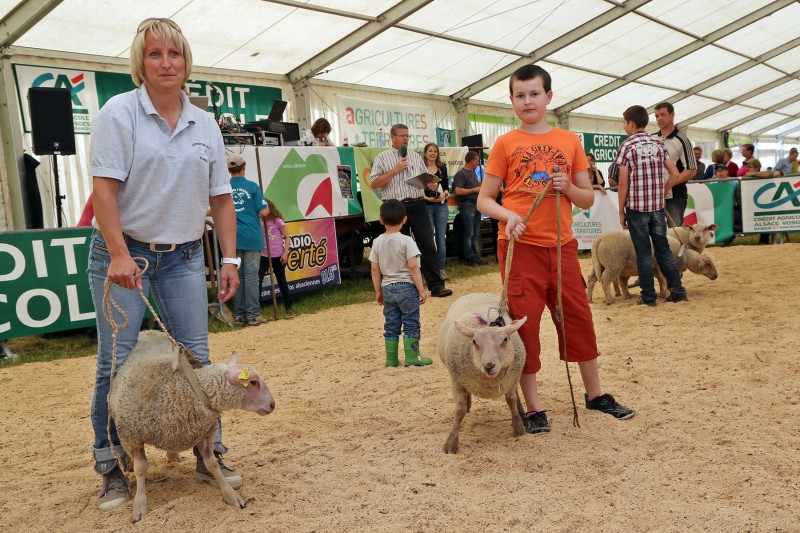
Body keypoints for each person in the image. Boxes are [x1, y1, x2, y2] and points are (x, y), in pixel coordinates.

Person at [86, 18, 242, 513]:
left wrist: (231, 257)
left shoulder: (205, 122)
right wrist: (117, 254)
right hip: (123, 253)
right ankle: (111, 464)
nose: (166, 63)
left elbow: (220, 198)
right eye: (155, 54)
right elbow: (104, 191)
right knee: (116, 362)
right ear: (140, 62)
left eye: (174, 54)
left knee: (197, 358)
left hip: (185, 256)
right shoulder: (119, 114)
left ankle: (207, 450)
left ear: (186, 61)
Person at [477, 64, 634, 435]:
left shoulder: (568, 141)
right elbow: (485, 200)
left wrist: (567, 187)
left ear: (549, 96)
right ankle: (534, 408)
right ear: (512, 100)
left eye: (534, 93)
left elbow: (585, 197)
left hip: (562, 248)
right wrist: (509, 216)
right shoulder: (505, 144)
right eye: (520, 95)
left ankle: (595, 394)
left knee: (578, 318)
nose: (527, 101)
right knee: (524, 327)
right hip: (519, 248)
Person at [615, 105, 687, 307]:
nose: (624, 127)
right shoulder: (658, 143)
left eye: (624, 123)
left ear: (631, 123)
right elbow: (674, 174)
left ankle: (648, 296)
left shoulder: (627, 146)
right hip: (656, 207)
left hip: (637, 208)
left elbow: (623, 182)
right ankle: (678, 291)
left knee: (644, 252)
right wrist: (662, 193)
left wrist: (621, 210)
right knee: (663, 249)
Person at [369, 124, 452, 297]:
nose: (405, 139)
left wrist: (430, 184)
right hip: (395, 206)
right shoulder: (382, 158)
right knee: (400, 248)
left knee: (428, 244)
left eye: (407, 135)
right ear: (392, 137)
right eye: (401, 135)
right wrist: (395, 169)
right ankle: (406, 288)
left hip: (418, 204)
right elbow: (374, 183)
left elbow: (425, 182)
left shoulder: (415, 157)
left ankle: (436, 286)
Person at [369, 199, 431, 367]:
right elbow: (413, 266)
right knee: (411, 321)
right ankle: (412, 357)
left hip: (387, 287)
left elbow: (375, 269)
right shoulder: (407, 241)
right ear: (405, 219)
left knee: (391, 322)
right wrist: (421, 289)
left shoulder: (376, 242)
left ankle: (391, 359)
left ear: (381, 219)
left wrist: (378, 291)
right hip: (407, 287)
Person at [228, 152, 269, 326]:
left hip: (231, 237)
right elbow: (264, 211)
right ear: (244, 167)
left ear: (229, 170)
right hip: (251, 235)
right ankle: (253, 315)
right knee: (251, 275)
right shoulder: (252, 187)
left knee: (236, 275)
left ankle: (239, 315)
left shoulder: (225, 186)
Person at [652, 102, 696, 226]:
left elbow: (691, 170)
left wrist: (669, 184)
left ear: (672, 115)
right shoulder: (652, 138)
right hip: (654, 194)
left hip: (676, 196)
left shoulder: (683, 140)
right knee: (655, 231)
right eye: (656, 116)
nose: (659, 118)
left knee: (675, 232)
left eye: (663, 115)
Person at [258, 199, 294, 313]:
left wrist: (285, 253)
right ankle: (257, 307)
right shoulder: (259, 222)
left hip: (278, 255)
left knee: (281, 281)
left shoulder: (277, 221)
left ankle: (288, 306)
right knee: (258, 280)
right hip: (263, 255)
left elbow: (287, 237)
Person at [422, 142, 449, 279]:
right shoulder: (421, 168)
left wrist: (444, 193)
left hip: (442, 206)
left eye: (435, 151)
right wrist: (427, 198)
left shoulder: (442, 167)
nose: (433, 153)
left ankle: (441, 268)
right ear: (425, 153)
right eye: (430, 151)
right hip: (427, 206)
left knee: (441, 238)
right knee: (428, 239)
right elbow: (417, 188)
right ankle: (430, 270)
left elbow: (446, 186)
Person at [454, 151, 485, 266]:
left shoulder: (473, 173)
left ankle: (475, 256)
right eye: (477, 160)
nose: (478, 163)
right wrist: (473, 190)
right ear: (472, 160)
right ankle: (469, 257)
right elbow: (458, 190)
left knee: (475, 232)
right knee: (469, 233)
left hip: (476, 205)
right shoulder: (461, 174)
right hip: (467, 205)